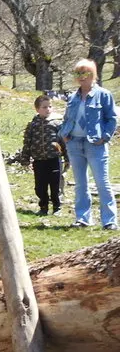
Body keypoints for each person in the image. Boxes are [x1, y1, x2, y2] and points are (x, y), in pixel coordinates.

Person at [59, 59, 117, 230]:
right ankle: (83, 218)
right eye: (78, 73)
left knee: (102, 183)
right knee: (80, 183)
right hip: (74, 143)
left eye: (84, 73)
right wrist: (64, 134)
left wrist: (105, 137)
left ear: (93, 75)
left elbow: (112, 118)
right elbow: (67, 118)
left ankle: (109, 220)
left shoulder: (103, 94)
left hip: (95, 144)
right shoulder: (73, 97)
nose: (81, 77)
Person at [21, 94, 64, 216]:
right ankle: (43, 207)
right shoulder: (32, 125)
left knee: (55, 184)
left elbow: (63, 142)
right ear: (37, 109)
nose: (48, 109)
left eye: (50, 106)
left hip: (54, 159)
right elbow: (27, 142)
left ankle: (57, 207)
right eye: (44, 107)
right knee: (40, 186)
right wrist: (25, 158)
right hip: (39, 160)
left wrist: (67, 158)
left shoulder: (57, 124)